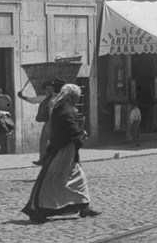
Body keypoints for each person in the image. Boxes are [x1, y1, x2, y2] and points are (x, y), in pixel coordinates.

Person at [22, 83, 99, 223]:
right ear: (72, 96)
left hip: (63, 151)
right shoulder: (66, 110)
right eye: (76, 96)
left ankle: (83, 206)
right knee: (54, 180)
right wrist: (81, 132)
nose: (78, 99)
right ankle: (39, 210)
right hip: (63, 152)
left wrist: (78, 132)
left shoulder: (60, 107)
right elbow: (70, 130)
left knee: (78, 178)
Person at [17, 75, 64, 166]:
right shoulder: (43, 98)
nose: (49, 91)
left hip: (58, 123)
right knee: (43, 141)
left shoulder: (58, 97)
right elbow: (32, 100)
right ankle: (42, 159)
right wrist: (22, 97)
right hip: (48, 123)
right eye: (47, 89)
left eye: (50, 88)